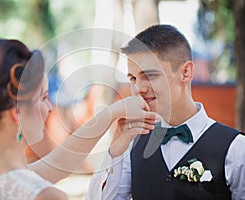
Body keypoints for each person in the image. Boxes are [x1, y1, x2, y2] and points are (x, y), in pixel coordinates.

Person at [0, 39, 156, 200]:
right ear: (16, 112)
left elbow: (58, 162)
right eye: (44, 98)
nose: (49, 108)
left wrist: (113, 112)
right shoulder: (44, 195)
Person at [86, 24, 245, 200]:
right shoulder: (131, 144)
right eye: (133, 78)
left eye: (150, 75)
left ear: (186, 73)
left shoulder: (236, 148)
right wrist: (115, 150)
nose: (138, 88)